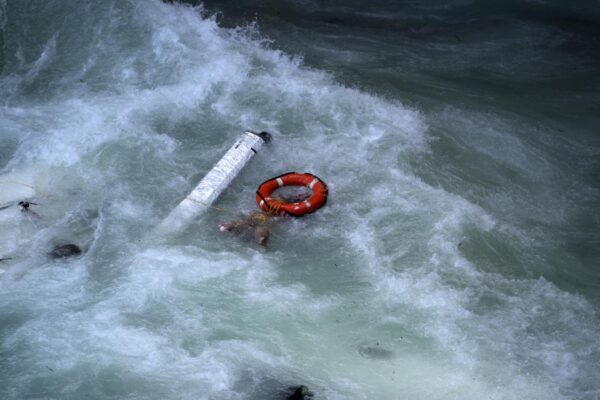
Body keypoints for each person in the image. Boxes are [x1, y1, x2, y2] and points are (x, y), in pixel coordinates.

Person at [218, 186, 312, 247]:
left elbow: (289, 218)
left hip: (266, 221)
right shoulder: (265, 204)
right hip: (257, 217)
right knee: (246, 221)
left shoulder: (287, 211)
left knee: (261, 227)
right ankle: (230, 226)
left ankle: (261, 239)